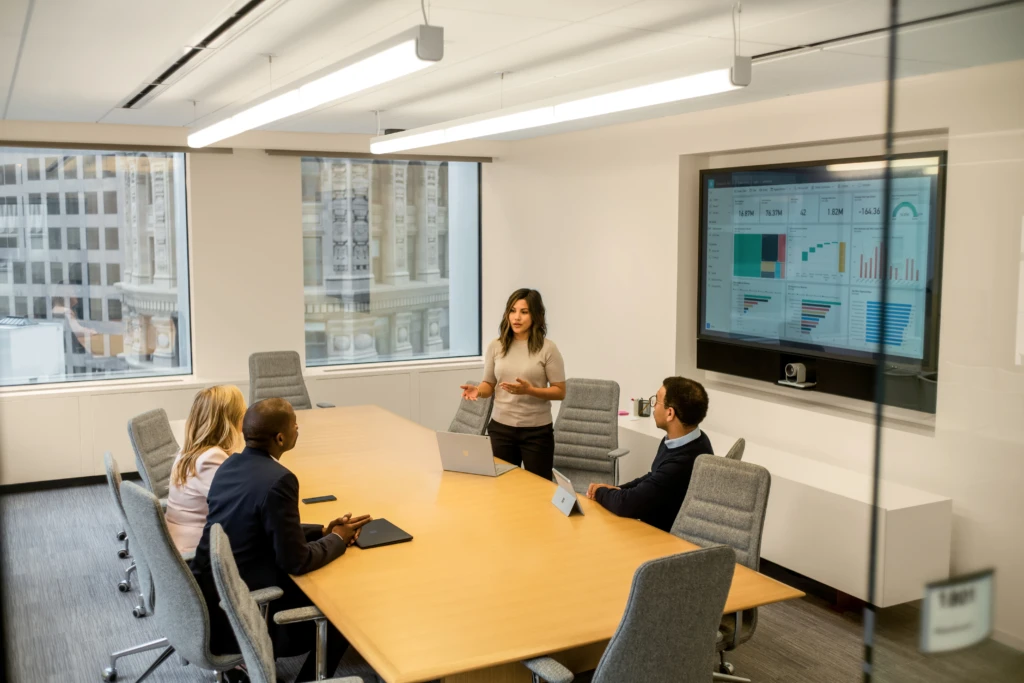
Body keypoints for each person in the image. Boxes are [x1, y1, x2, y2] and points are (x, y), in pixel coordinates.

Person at [189, 398, 372, 682]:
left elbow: (258, 525)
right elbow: (296, 561)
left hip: (212, 598)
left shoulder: (230, 465)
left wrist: (321, 531)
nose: (298, 430)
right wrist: (337, 539)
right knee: (345, 612)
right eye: (295, 426)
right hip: (247, 613)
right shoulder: (280, 480)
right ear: (281, 438)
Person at [460, 289, 565, 480]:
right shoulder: (496, 346)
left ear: (536, 315)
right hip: (501, 429)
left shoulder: (548, 348)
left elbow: (560, 392)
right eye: (513, 310)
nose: (517, 317)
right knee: (502, 489)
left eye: (524, 312)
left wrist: (530, 390)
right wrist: (478, 391)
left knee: (538, 492)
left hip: (537, 433)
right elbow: (489, 384)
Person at [587, 377, 713, 532]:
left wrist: (599, 491)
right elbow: (654, 476)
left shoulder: (683, 462)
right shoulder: (691, 438)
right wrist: (617, 489)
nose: (652, 406)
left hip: (663, 539)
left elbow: (626, 505)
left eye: (656, 401)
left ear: (670, 413)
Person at [165, 385, 246, 555]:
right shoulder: (210, 459)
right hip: (198, 550)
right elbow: (238, 509)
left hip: (179, 538)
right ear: (229, 419)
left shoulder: (190, 451)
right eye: (242, 411)